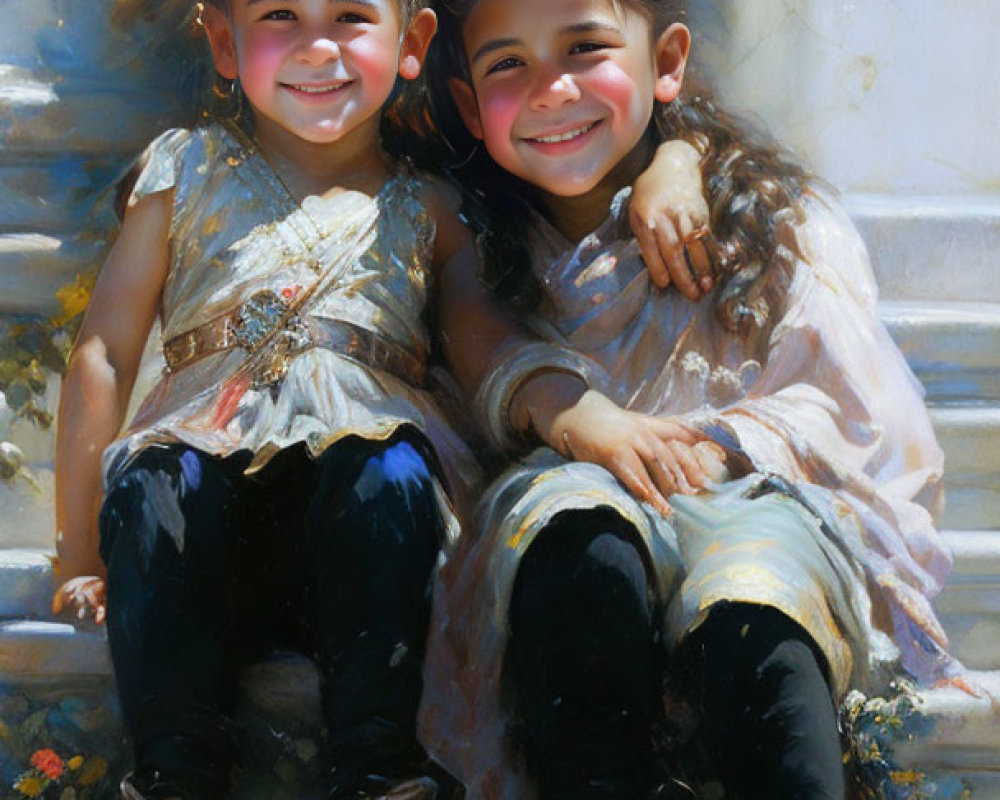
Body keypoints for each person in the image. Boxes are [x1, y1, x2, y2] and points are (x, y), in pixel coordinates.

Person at [49, 1, 716, 797]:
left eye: (352, 16)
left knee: (388, 472)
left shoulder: (430, 205)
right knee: (159, 483)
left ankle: (374, 770)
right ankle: (174, 774)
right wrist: (80, 549)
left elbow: (483, 341)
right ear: (225, 42)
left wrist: (573, 412)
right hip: (209, 516)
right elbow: (104, 352)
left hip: (361, 546)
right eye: (281, 17)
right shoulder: (185, 169)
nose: (318, 48)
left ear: (413, 42)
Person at [418, 1, 957, 799]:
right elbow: (480, 343)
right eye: (507, 65)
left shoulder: (758, 215)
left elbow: (847, 400)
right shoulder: (472, 233)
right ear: (467, 103)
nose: (551, 90)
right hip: (569, 499)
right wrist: (574, 416)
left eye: (584, 47)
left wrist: (717, 446)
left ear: (667, 62)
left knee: (758, 610)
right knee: (579, 547)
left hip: (744, 492)